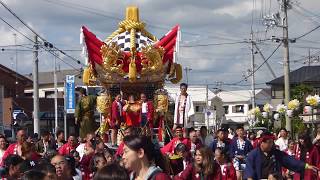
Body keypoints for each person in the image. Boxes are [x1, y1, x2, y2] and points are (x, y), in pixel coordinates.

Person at [244, 132, 318, 180]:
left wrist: (306, 166)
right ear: (262, 143)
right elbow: (249, 174)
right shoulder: (252, 155)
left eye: (272, 142)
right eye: (269, 143)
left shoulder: (276, 153)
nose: (271, 144)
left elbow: (290, 161)